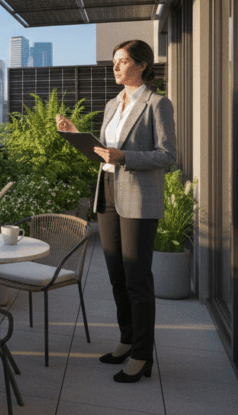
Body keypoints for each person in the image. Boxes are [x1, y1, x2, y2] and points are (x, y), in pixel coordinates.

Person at [57, 39, 176, 383]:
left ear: (141, 65)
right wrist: (77, 136)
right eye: (114, 63)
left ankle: (142, 355)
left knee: (138, 279)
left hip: (138, 197)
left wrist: (125, 157)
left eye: (122, 62)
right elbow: (103, 153)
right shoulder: (112, 104)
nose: (115, 68)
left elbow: (167, 156)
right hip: (107, 193)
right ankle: (127, 340)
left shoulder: (157, 104)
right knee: (117, 277)